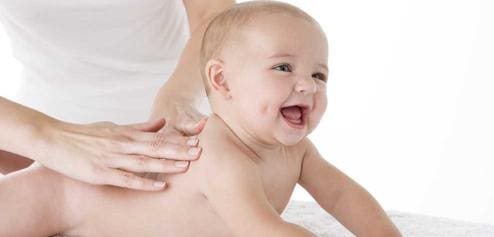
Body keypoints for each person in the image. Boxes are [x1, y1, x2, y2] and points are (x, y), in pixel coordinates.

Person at [0, 2, 402, 236]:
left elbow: (343, 196)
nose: (307, 86)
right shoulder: (220, 154)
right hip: (59, 191)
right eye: (283, 69)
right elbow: (259, 229)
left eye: (319, 75)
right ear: (221, 80)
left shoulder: (296, 152)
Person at [0, 0, 234, 190]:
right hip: (40, 144)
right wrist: (48, 138)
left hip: (181, 128)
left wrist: (178, 97)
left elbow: (212, 12)